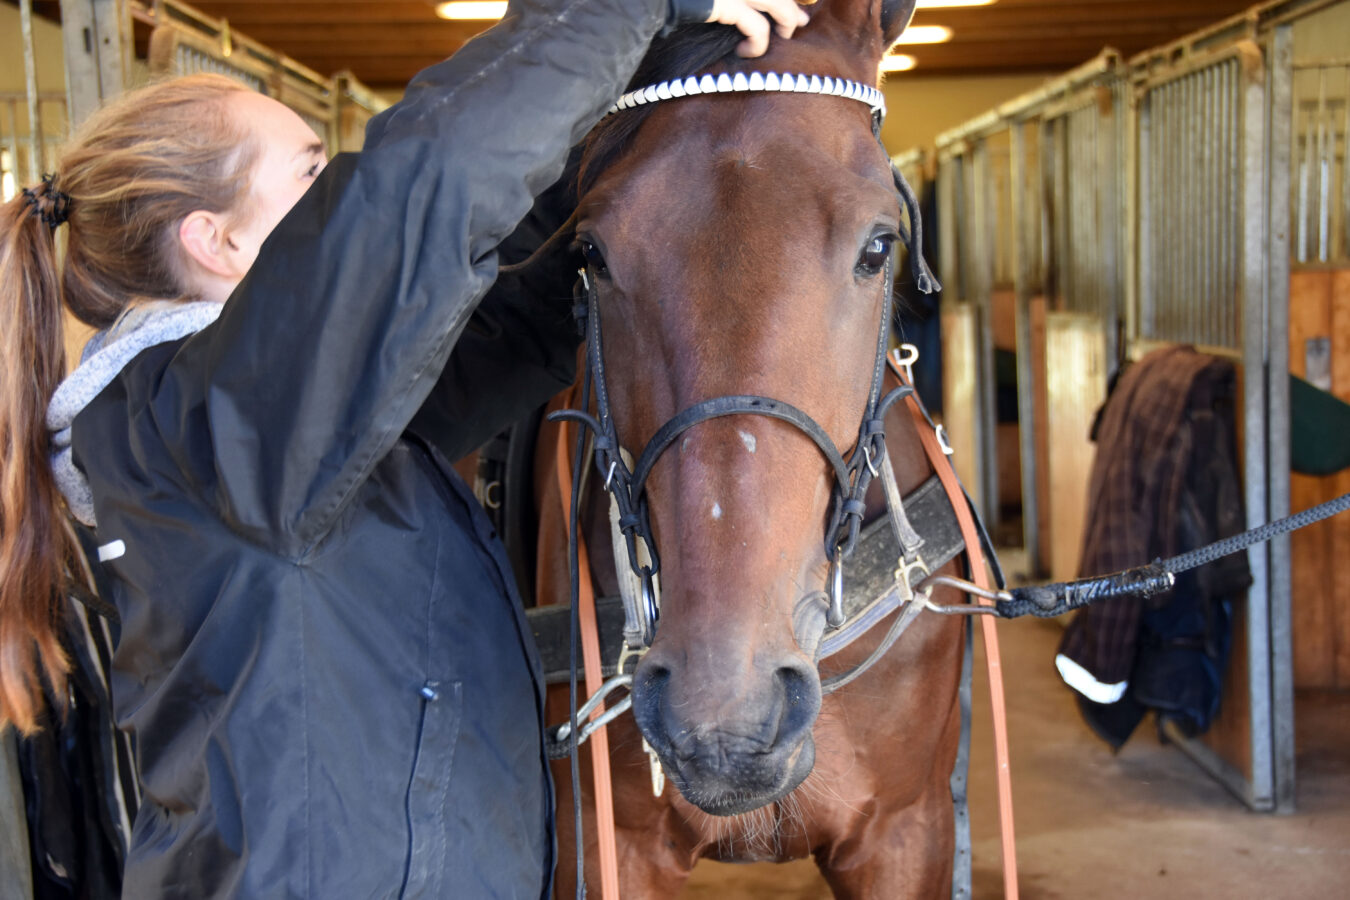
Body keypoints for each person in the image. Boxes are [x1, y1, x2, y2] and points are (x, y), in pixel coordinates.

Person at [0, 0, 810, 896]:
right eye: (316, 180)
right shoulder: (213, 420)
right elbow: (423, 188)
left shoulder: (270, 425)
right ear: (218, 241)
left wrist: (650, 81)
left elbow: (511, 319)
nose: (337, 205)